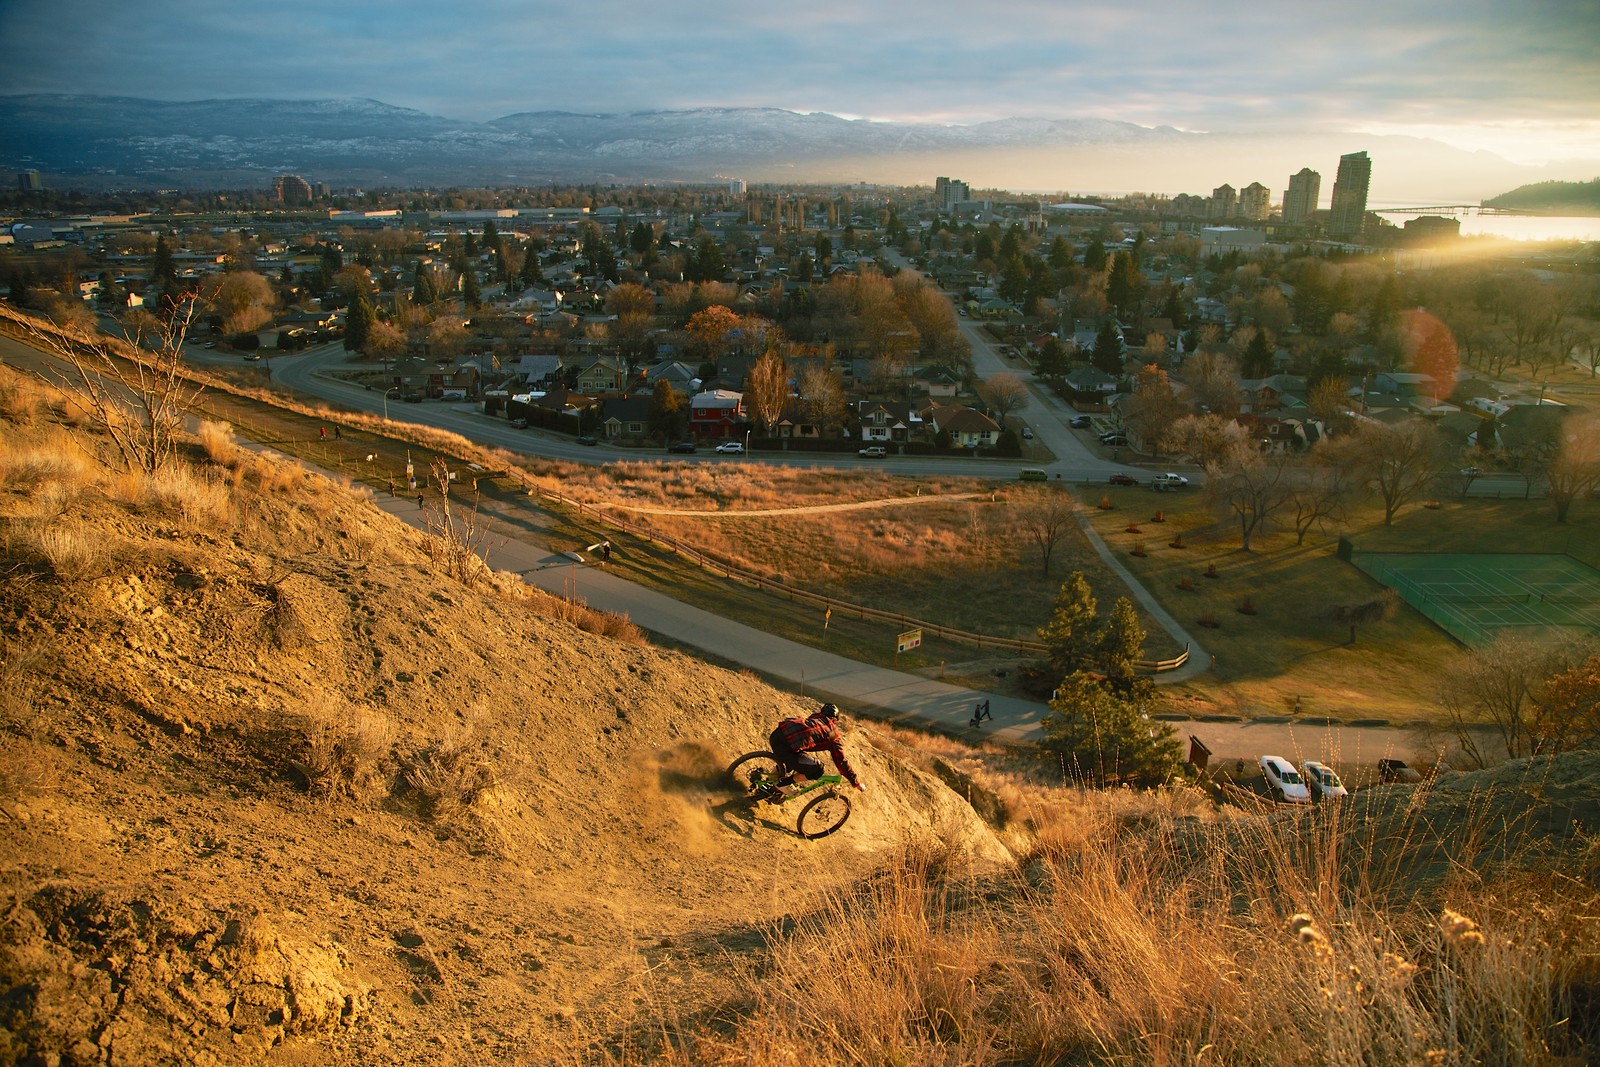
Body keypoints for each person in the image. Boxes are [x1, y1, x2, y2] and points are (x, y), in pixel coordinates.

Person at [768, 703, 864, 797]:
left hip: (776, 735)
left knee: (796, 757)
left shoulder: (814, 718)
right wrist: (855, 782)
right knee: (818, 769)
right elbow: (841, 762)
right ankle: (783, 784)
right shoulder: (834, 735)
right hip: (786, 748)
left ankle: (769, 781)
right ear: (835, 720)